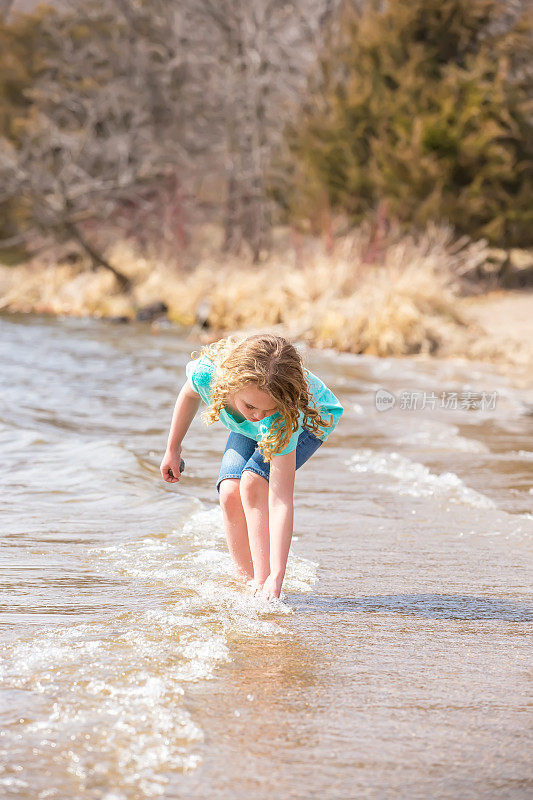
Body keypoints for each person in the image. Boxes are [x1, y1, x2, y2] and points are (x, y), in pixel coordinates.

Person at [160, 333, 343, 600]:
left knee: (253, 482)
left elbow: (280, 500)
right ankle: (245, 581)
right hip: (253, 416)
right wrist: (172, 449)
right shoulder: (209, 375)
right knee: (230, 491)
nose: (257, 416)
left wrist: (277, 575)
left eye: (264, 411)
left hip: (306, 421)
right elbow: (188, 395)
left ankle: (265, 585)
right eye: (251, 406)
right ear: (232, 384)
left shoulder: (277, 415)